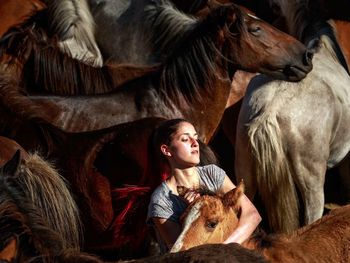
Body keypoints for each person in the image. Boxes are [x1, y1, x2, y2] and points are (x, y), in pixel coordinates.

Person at [146, 118, 261, 253]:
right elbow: (180, 251)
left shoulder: (212, 173)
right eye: (185, 139)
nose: (195, 143)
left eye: (196, 138)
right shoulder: (161, 200)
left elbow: (252, 215)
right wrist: (191, 210)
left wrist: (225, 249)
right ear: (166, 150)